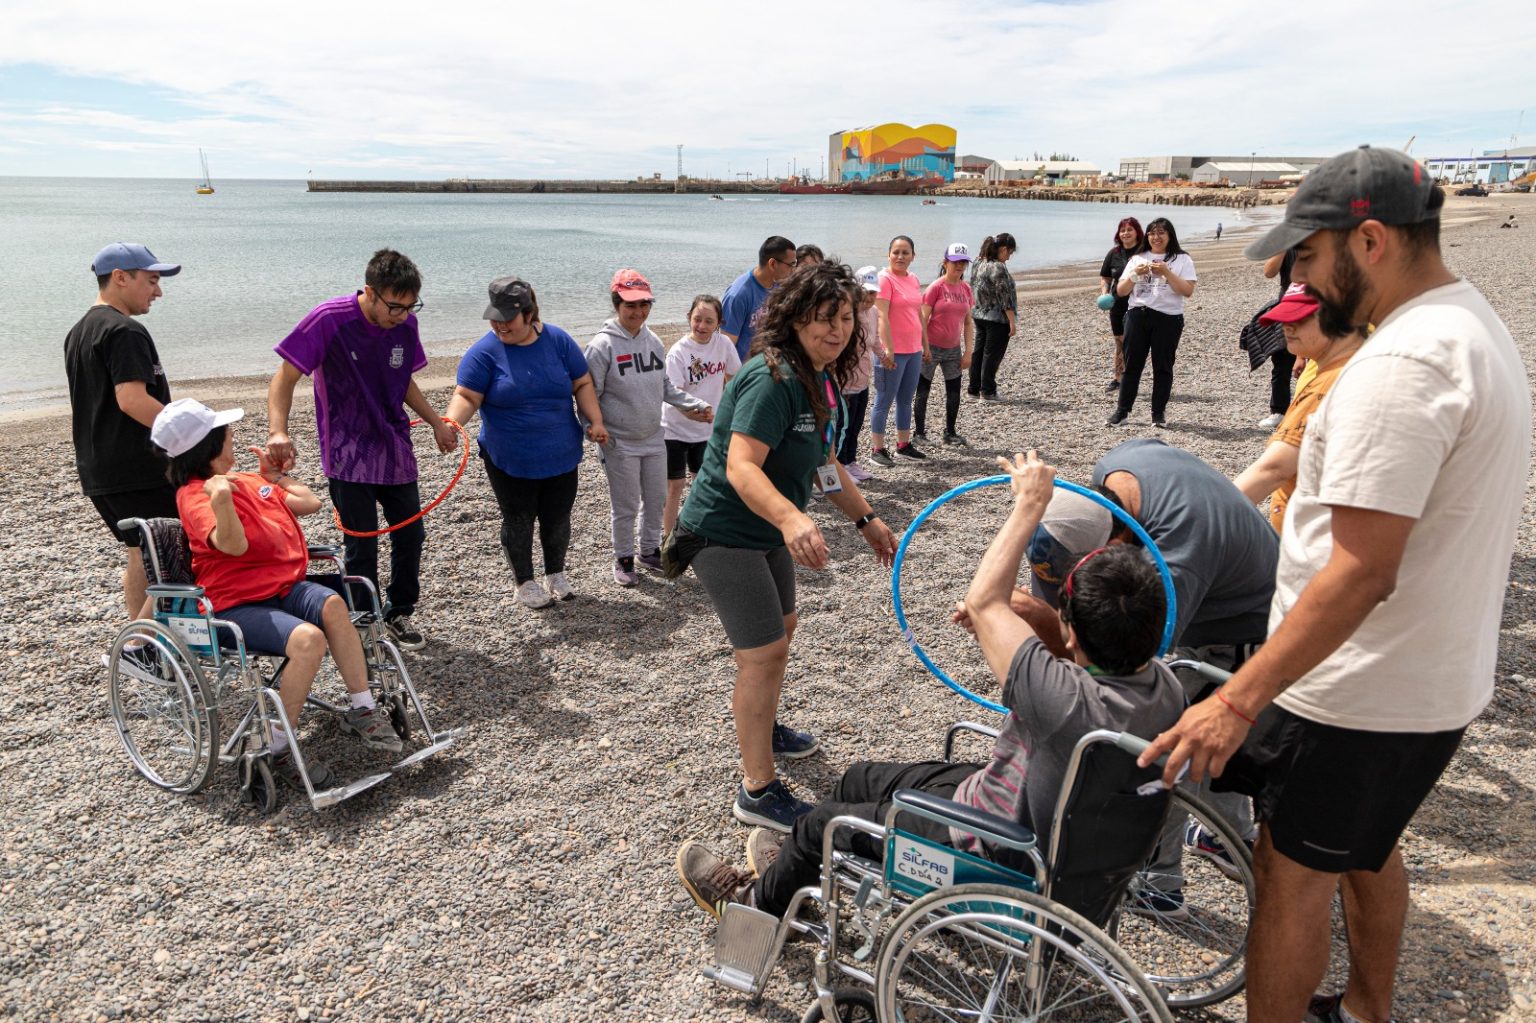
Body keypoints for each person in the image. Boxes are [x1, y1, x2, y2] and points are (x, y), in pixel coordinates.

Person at [1142, 145, 1530, 1023]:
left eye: (1307, 259)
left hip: (1354, 696)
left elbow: (1360, 572)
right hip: (1433, 682)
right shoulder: (1474, 324)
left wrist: (1237, 699)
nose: (1301, 286)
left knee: (1290, 880)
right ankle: (1363, 1007)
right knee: (1368, 847)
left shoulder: (1400, 367)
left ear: (1370, 241)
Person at [674, 450, 1184, 922]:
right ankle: (798, 872)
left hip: (994, 849)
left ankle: (754, 907)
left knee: (819, 824)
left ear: (1071, 633)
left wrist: (1030, 505)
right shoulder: (1167, 685)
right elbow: (1016, 622)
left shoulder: (1061, 696)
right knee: (858, 780)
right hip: (1036, 821)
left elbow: (986, 601)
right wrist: (1024, 621)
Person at [675, 262, 898, 831]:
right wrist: (792, 518)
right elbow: (740, 466)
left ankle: (764, 721)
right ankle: (756, 789)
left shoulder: (818, 378)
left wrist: (865, 519)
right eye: (824, 318)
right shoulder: (771, 378)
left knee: (782, 629)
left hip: (765, 531)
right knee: (763, 653)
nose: (838, 329)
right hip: (724, 531)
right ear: (795, 319)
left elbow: (824, 463)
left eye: (846, 317)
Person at [1029, 438, 1279, 913]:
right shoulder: (1114, 471)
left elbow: (1135, 667)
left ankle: (1159, 883)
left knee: (1156, 738)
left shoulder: (1177, 555)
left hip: (1244, 622)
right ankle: (1227, 838)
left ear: (1115, 545)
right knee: (1198, 721)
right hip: (1217, 595)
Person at [153, 399, 402, 790]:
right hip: (236, 605)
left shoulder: (249, 481)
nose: (233, 442)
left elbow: (309, 502)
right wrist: (221, 501)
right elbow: (231, 546)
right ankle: (278, 745)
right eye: (227, 438)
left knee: (334, 605)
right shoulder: (196, 495)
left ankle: (363, 707)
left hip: (283, 587)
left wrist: (275, 476)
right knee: (308, 640)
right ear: (208, 447)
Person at [265, 249, 455, 650]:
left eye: (409, 306)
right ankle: (364, 623)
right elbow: (284, 378)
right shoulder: (329, 319)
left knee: (411, 535)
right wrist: (277, 432)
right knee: (362, 543)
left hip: (395, 447)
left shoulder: (406, 325)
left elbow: (403, 381)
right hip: (347, 451)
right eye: (394, 306)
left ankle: (400, 613)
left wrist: (437, 421)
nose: (401, 315)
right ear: (369, 291)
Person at [445, 277, 607, 608]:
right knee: (518, 518)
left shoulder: (559, 341)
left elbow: (582, 382)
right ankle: (524, 581)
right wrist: (450, 425)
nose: (500, 325)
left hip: (561, 452)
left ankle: (556, 574)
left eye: (508, 318)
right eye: (495, 317)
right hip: (510, 458)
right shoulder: (483, 353)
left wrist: (596, 421)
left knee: (558, 517)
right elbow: (466, 395)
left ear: (529, 314)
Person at [65, 243, 181, 624]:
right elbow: (131, 400)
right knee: (178, 551)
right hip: (137, 467)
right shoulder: (124, 330)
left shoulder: (79, 331)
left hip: (100, 469)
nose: (158, 292)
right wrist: (190, 436)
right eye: (151, 281)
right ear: (120, 277)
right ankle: (144, 638)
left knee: (140, 550)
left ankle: (144, 647)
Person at [586, 269, 712, 586]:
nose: (638, 312)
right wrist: (593, 427)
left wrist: (694, 404)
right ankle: (624, 559)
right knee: (626, 505)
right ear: (617, 304)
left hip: (655, 437)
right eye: (631, 305)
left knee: (656, 499)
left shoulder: (653, 341)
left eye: (644, 305)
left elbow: (665, 387)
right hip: (619, 443)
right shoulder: (602, 346)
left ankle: (649, 551)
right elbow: (588, 393)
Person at [1233, 284, 1365, 531]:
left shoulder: (1329, 383)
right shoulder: (1358, 364)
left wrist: (1207, 513)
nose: (1287, 326)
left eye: (1300, 319)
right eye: (1284, 318)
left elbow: (1274, 469)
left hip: (1312, 540)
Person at [1106, 218, 1197, 428]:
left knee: (1163, 366)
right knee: (1131, 365)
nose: (1156, 237)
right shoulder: (1138, 258)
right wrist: (1136, 275)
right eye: (1152, 233)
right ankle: (1122, 411)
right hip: (1137, 314)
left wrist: (1166, 272)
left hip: (1168, 317)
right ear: (1147, 236)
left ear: (1170, 236)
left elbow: (1187, 291)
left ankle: (1158, 414)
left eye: (1161, 233)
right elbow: (1121, 291)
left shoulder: (1182, 259)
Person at [663, 295, 740, 537]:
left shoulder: (724, 345)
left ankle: (701, 530)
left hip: (707, 429)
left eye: (709, 321)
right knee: (674, 485)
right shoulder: (678, 352)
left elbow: (735, 379)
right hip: (674, 428)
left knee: (704, 482)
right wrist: (694, 414)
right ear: (689, 318)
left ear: (718, 323)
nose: (702, 326)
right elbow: (672, 394)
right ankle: (668, 538)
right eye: (697, 319)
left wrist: (730, 413)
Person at [868, 235, 927, 465]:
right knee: (883, 399)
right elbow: (881, 314)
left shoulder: (912, 279)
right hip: (892, 351)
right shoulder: (884, 279)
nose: (900, 257)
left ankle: (903, 445)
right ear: (888, 254)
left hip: (914, 350)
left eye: (905, 252)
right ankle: (877, 449)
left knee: (905, 400)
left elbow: (918, 313)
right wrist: (887, 349)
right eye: (896, 252)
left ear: (913, 256)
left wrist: (925, 344)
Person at [914, 242, 974, 445]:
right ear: (946, 262)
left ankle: (950, 432)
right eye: (955, 262)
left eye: (963, 263)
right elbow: (923, 318)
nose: (959, 266)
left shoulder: (966, 289)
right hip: (931, 348)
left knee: (954, 391)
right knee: (923, 390)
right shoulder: (936, 287)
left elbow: (967, 322)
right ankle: (919, 434)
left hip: (953, 349)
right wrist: (925, 347)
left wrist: (968, 352)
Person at [834, 267, 881, 482]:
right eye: (866, 292)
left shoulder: (872, 313)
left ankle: (850, 462)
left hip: (863, 379)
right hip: (844, 381)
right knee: (842, 426)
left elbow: (875, 340)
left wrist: (885, 357)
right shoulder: (847, 314)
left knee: (856, 425)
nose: (870, 297)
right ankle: (839, 466)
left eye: (873, 293)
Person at [722, 236, 797, 362]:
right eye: (791, 264)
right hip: (745, 372)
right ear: (772, 264)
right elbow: (726, 347)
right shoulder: (738, 295)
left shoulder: (780, 285)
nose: (793, 270)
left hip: (770, 365)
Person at [968, 232, 1018, 400]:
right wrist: (1012, 321)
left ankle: (974, 389)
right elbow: (1005, 296)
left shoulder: (977, 262)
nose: (1009, 257)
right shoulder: (998, 266)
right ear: (1003, 249)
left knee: (979, 352)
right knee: (992, 354)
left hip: (979, 313)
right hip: (997, 317)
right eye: (1009, 253)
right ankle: (988, 391)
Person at [1258, 247, 1302, 428]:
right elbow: (1269, 272)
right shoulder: (1286, 244)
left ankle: (1308, 409)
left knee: (1314, 361)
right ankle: (1279, 411)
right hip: (1288, 304)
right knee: (1281, 360)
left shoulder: (1321, 238)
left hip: (1315, 302)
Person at [1098, 219, 1144, 393]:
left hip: (1139, 304)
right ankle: (1118, 379)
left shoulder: (1144, 252)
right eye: (1122, 230)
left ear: (1137, 232)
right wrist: (1104, 293)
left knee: (1134, 343)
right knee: (1120, 341)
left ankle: (1132, 377)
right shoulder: (1114, 253)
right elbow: (1105, 277)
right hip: (1117, 304)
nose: (1125, 233)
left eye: (1129, 230)